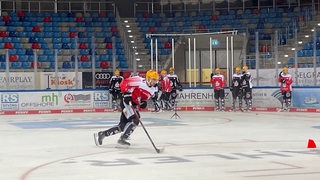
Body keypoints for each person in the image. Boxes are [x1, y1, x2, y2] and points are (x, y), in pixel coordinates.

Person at [94, 70, 159, 147]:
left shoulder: (152, 90)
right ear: (148, 78)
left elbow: (141, 98)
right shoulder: (139, 80)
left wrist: (142, 103)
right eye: (154, 79)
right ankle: (122, 139)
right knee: (135, 119)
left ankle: (102, 134)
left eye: (156, 80)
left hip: (133, 104)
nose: (155, 81)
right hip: (126, 102)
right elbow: (125, 82)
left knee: (122, 126)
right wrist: (126, 93)